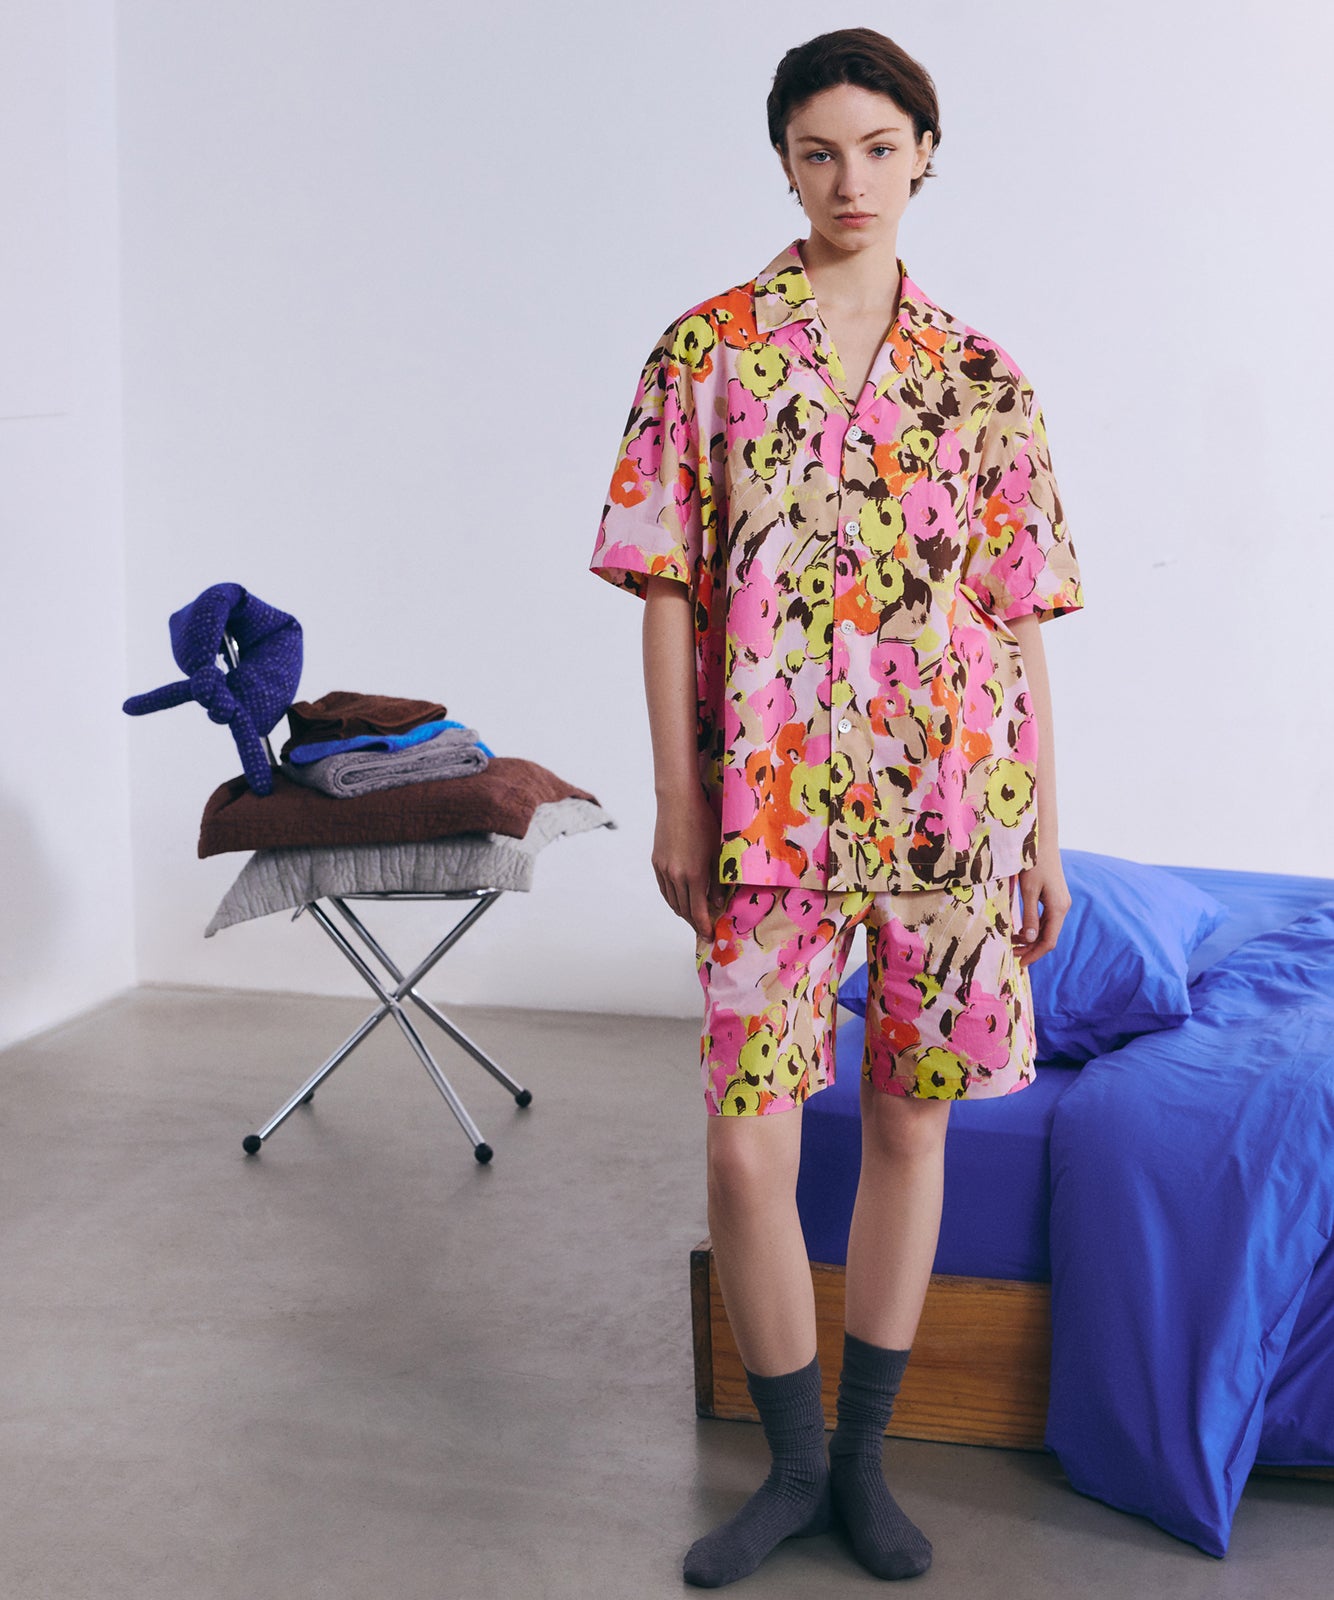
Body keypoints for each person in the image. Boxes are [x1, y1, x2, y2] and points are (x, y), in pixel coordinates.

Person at [589, 25, 1084, 1588]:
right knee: (746, 1148)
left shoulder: (983, 377)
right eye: (818, 152)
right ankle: (789, 1467)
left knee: (903, 1123)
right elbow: (665, 586)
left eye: (877, 148)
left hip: (952, 801)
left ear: (923, 153)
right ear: (783, 164)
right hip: (765, 810)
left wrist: (1042, 832)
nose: (848, 179)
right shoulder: (706, 352)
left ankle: (861, 1465)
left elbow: (1015, 618)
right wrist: (677, 801)